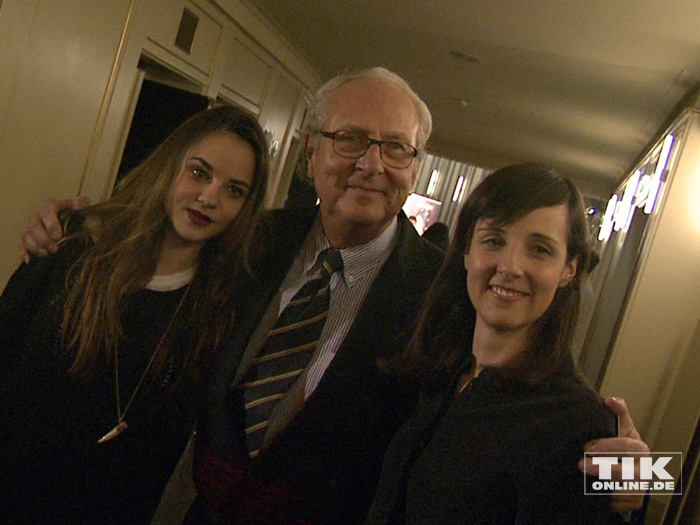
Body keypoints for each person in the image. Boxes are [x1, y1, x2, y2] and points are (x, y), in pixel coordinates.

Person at [19, 68, 648, 523]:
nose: (372, 164)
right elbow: (156, 246)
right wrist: (73, 225)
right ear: (313, 152)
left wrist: (642, 479)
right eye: (352, 140)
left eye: (396, 148)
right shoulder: (251, 240)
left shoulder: (445, 289)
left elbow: (518, 398)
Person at [0, 104, 269, 523]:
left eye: (234, 190)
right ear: (170, 164)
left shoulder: (221, 310)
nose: (209, 197)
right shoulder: (69, 242)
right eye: (199, 172)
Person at [366, 164, 618, 523]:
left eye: (540, 250)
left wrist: (648, 477)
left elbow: (639, 491)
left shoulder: (580, 419)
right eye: (494, 241)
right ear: (467, 251)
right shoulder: (438, 370)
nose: (510, 266)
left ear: (570, 269)